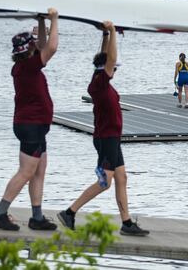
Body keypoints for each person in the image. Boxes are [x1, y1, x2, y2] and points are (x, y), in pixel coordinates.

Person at [57, 21, 149, 237]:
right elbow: (111, 58)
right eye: (113, 67)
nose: (115, 69)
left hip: (111, 138)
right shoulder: (100, 83)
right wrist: (115, 32)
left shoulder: (97, 79)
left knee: (122, 177)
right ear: (108, 68)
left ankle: (126, 223)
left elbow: (105, 57)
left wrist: (106, 35)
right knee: (105, 182)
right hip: (106, 139)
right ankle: (69, 212)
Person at [0, 9, 59, 231]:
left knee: (39, 170)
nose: (37, 45)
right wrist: (54, 20)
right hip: (31, 127)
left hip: (35, 126)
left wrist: (40, 21)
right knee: (26, 172)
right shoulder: (29, 66)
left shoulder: (24, 65)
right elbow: (52, 47)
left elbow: (44, 46)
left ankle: (36, 217)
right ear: (29, 49)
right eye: (34, 43)